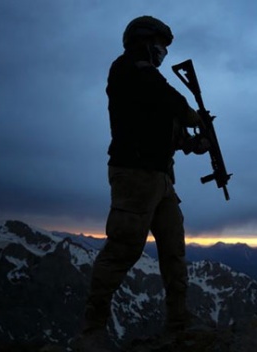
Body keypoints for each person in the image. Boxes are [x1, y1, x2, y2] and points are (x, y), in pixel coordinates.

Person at [74, 15, 205, 351]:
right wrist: (193, 116)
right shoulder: (128, 69)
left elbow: (166, 129)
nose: (163, 52)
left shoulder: (150, 83)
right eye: (160, 44)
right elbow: (167, 100)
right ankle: (93, 329)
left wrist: (193, 143)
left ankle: (178, 322)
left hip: (161, 179)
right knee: (122, 250)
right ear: (144, 41)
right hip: (134, 176)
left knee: (173, 250)